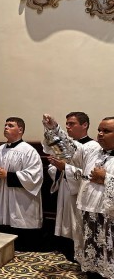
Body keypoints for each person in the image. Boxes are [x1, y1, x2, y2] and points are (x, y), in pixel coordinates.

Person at [42, 112, 100, 261]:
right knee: (67, 225)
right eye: (66, 124)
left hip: (81, 193)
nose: (68, 127)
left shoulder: (93, 147)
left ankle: (83, 258)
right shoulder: (67, 146)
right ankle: (69, 253)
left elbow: (90, 175)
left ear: (84, 125)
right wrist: (56, 167)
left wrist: (65, 168)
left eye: (71, 124)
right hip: (66, 189)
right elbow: (56, 157)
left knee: (79, 226)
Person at [0, 117, 43, 251]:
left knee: (20, 228)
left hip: (20, 198)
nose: (6, 127)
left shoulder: (28, 150)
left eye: (10, 125)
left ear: (20, 130)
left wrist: (8, 175)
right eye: (5, 125)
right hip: (2, 193)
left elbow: (34, 176)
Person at [73, 117, 114, 278]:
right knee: (93, 255)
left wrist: (106, 178)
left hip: (110, 215)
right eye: (99, 130)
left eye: (106, 131)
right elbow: (69, 153)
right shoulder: (93, 152)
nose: (100, 134)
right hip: (90, 210)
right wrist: (53, 129)